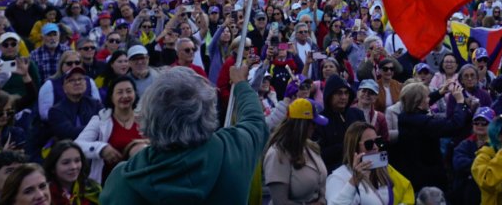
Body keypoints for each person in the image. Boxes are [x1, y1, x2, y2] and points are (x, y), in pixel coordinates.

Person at [101, 65, 268, 204]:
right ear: (209, 109)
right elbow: (255, 121)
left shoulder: (123, 181)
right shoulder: (234, 149)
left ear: (146, 116)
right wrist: (241, 84)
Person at [393, 81, 470, 192]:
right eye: (427, 97)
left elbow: (421, 103)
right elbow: (455, 125)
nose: (429, 99)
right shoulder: (424, 123)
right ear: (418, 102)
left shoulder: (404, 116)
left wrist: (440, 93)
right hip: (428, 178)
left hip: (413, 172)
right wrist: (460, 102)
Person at [76, 77, 144, 184]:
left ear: (135, 94)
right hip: (109, 182)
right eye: (119, 92)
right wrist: (101, 149)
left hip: (141, 180)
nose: (125, 96)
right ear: (111, 97)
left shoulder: (146, 119)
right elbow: (77, 145)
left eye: (129, 91)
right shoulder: (100, 120)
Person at [325, 121, 409, 205]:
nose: (375, 147)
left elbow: (404, 192)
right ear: (354, 148)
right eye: (369, 144)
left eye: (378, 141)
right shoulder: (338, 177)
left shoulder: (383, 169)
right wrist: (354, 181)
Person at [263, 98, 329, 205]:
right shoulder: (277, 154)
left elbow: (321, 185)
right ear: (301, 124)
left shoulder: (311, 147)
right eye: (312, 123)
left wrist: (322, 200)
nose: (315, 127)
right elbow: (280, 202)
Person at [315, 74, 365, 171]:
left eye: (346, 93)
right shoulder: (320, 120)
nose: (344, 97)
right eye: (339, 93)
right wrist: (346, 146)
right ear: (329, 95)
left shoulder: (357, 114)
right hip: (333, 172)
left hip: (361, 167)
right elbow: (318, 153)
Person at [452, 107, 495, 205]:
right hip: (466, 194)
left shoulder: (498, 146)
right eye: (476, 122)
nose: (479, 125)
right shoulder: (465, 143)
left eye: (484, 122)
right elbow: (459, 164)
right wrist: (485, 165)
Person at [47, 67, 101, 141]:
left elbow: (105, 125)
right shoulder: (56, 111)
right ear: (64, 88)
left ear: (86, 83)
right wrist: (95, 128)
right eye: (71, 80)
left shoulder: (95, 104)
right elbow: (68, 133)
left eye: (80, 79)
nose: (77, 83)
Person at [43, 140, 100, 205]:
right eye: (66, 163)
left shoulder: (93, 189)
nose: (73, 167)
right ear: (53, 168)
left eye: (77, 160)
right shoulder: (45, 196)